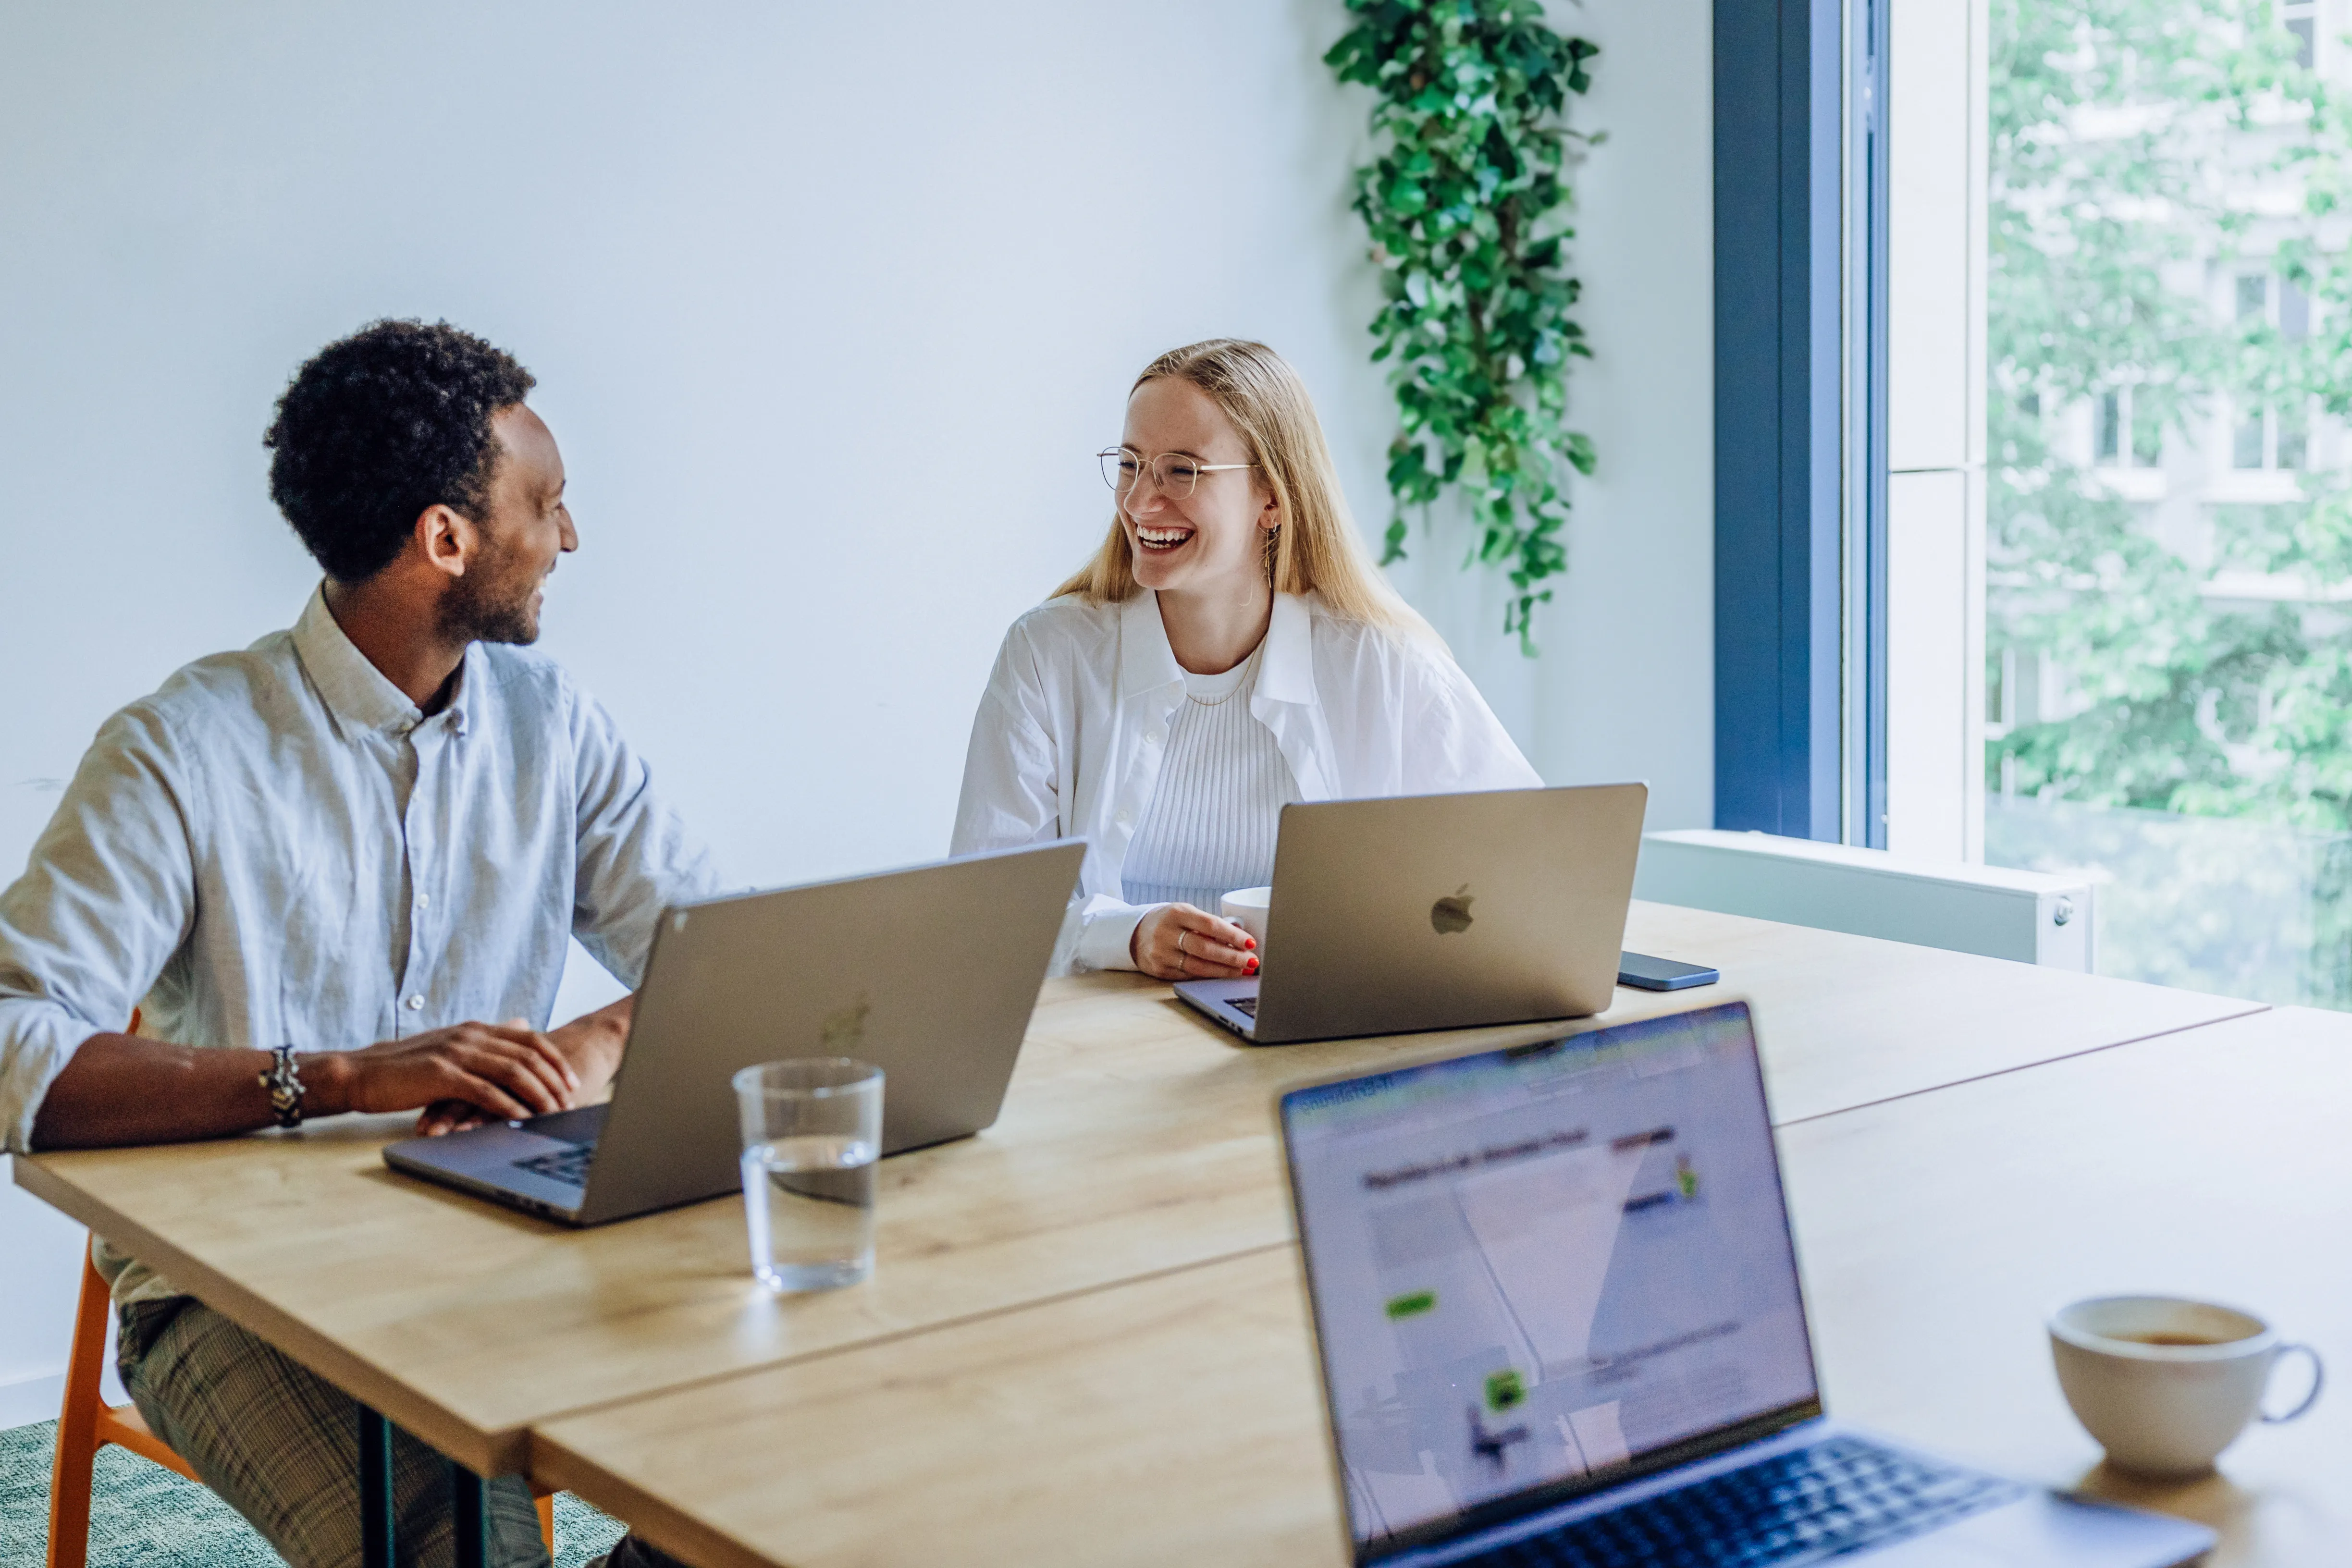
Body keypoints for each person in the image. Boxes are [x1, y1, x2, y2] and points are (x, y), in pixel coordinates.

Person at [0, 320, 700, 1568]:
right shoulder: (181, 748)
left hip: (501, 1235)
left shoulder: (556, 729)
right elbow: (11, 1043)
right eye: (547, 506)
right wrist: (342, 1078)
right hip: (232, 1297)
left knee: (826, 1460)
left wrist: (572, 1057)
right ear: (447, 539)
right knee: (457, 1554)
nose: (570, 538)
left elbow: (717, 960)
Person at [951, 338, 1539, 980]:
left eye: (1182, 470)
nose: (1140, 501)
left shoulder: (1383, 662)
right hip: (1107, 1042)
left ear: (1273, 499)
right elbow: (986, 916)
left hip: (1314, 1031)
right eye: (1130, 463)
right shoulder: (1048, 653)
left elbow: (1527, 860)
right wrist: (1127, 936)